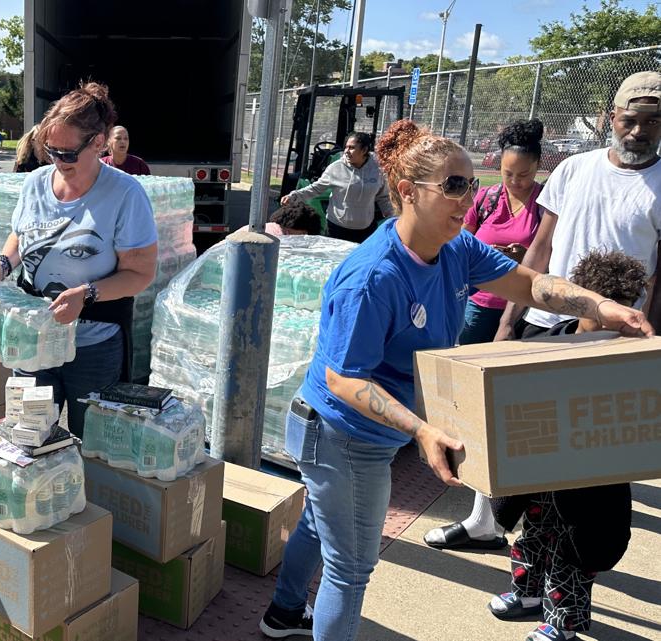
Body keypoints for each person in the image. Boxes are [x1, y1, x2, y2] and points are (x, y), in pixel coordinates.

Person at [257, 119, 652, 641]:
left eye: (470, 183)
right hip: (341, 437)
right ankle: (292, 615)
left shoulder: (455, 249)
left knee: (320, 527)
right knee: (351, 571)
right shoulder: (375, 276)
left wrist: (601, 305)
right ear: (406, 192)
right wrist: (421, 430)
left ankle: (283, 615)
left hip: (359, 436)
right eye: (453, 185)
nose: (468, 197)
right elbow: (344, 379)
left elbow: (530, 283)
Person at [0, 82, 158, 438]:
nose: (58, 162)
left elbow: (140, 274)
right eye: (51, 150)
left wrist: (86, 294)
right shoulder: (36, 183)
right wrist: (2, 264)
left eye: (68, 154)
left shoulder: (125, 194)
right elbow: (21, 234)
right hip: (33, 336)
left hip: (94, 343)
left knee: (90, 442)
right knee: (27, 434)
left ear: (98, 142)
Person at [487, 249, 646, 641]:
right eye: (604, 315)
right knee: (533, 533)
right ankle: (526, 594)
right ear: (581, 302)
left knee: (571, 550)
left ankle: (565, 621)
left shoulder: (630, 361)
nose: (615, 328)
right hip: (540, 471)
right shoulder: (545, 344)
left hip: (592, 481)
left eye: (623, 317)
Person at [424, 119, 547, 552]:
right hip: (478, 310)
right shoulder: (487, 197)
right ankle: (482, 515)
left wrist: (519, 267)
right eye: (508, 173)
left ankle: (495, 516)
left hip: (520, 316)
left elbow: (540, 264)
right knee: (475, 407)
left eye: (524, 175)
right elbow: (461, 240)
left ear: (538, 168)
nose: (515, 181)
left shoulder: (545, 205)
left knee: (508, 414)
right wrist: (492, 256)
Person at [496, 71, 661, 342]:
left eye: (652, 121)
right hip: (545, 318)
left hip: (616, 327)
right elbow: (541, 248)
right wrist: (507, 321)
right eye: (628, 121)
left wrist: (652, 340)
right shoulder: (573, 168)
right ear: (612, 119)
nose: (638, 132)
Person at [281, 131, 394, 242]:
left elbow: (383, 197)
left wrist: (392, 216)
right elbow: (315, 189)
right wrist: (293, 196)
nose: (346, 151)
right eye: (346, 147)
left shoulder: (377, 170)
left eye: (352, 148)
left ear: (364, 150)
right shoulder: (335, 168)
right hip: (336, 229)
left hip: (365, 230)